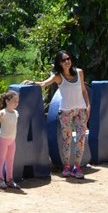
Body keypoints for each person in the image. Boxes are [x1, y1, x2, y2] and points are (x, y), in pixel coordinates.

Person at [24, 50, 91, 179]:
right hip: (66, 111)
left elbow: (83, 91)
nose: (67, 62)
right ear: (59, 63)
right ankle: (66, 166)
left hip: (81, 110)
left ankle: (76, 167)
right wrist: (31, 82)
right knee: (67, 140)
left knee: (81, 139)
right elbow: (43, 83)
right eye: (63, 60)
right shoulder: (58, 76)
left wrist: (88, 106)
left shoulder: (79, 72)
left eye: (68, 59)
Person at [0, 90, 20, 190]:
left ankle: (10, 180)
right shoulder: (2, 113)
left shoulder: (16, 113)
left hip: (12, 141)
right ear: (7, 101)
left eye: (17, 101)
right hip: (2, 140)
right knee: (1, 159)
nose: (16, 103)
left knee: (10, 160)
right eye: (14, 101)